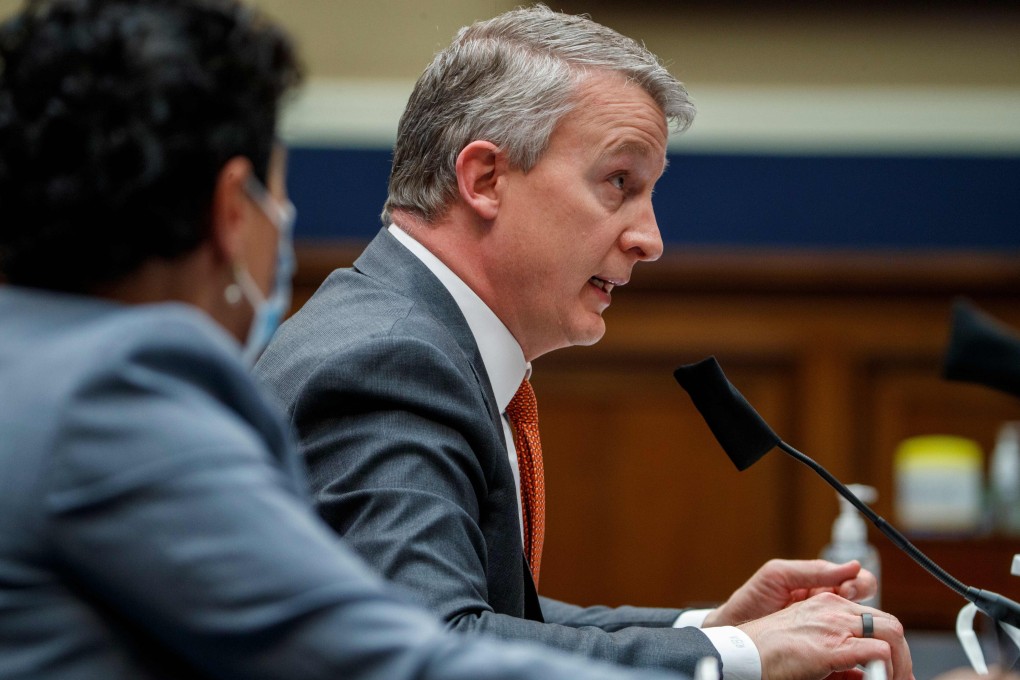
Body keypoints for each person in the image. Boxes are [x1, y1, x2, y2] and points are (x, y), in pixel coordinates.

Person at [0, 2, 701, 679]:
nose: (651, 240)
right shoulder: (119, 395)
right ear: (230, 208)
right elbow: (400, 653)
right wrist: (728, 667)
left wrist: (711, 636)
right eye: (278, 188)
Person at [254, 5, 914, 680]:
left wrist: (714, 630)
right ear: (485, 179)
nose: (649, 240)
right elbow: (436, 645)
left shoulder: (409, 330)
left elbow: (488, 613)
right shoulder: (390, 362)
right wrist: (740, 658)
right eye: (619, 183)